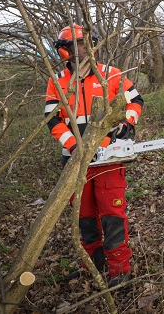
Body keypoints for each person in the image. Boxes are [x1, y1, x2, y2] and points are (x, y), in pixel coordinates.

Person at [45, 24, 144, 287]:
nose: (82, 50)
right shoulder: (58, 82)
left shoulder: (111, 75)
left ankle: (118, 269)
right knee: (83, 216)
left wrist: (126, 124)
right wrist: (75, 147)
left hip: (108, 157)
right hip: (74, 161)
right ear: (65, 51)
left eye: (85, 44)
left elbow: (135, 101)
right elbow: (53, 120)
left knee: (112, 213)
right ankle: (93, 263)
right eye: (76, 45)